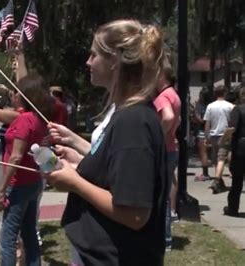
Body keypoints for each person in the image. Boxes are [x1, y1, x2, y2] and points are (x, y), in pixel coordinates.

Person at [45, 19, 169, 265]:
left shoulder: (133, 122)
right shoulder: (126, 115)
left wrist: (75, 182)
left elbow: (135, 214)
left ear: (115, 61)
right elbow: (117, 176)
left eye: (93, 54)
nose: (87, 62)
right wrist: (82, 162)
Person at [0, 73, 52, 266]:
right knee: (28, 233)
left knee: (8, 238)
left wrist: (2, 191)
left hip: (18, 185)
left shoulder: (25, 119)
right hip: (33, 182)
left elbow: (16, 156)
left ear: (27, 95)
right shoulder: (39, 118)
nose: (14, 95)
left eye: (18, 92)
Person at [153, 53, 181, 252]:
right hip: (172, 148)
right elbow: (177, 120)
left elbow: (169, 117)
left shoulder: (163, 96)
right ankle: (166, 238)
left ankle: (165, 239)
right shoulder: (174, 94)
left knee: (160, 197)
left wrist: (156, 135)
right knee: (167, 189)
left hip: (164, 149)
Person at [203, 85, 235, 194]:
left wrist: (206, 136)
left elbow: (207, 122)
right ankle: (218, 180)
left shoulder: (210, 106)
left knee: (215, 159)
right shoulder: (230, 106)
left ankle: (218, 180)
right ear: (225, 93)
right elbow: (233, 122)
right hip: (225, 135)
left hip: (213, 134)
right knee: (221, 158)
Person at [224, 86, 245, 217]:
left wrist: (223, 140)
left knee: (237, 181)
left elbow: (232, 128)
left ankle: (233, 208)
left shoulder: (238, 109)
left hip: (240, 148)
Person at [193, 88, 212, 181]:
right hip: (213, 130)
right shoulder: (211, 105)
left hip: (202, 131)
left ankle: (205, 174)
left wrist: (195, 113)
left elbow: (200, 120)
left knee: (203, 153)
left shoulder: (200, 106)